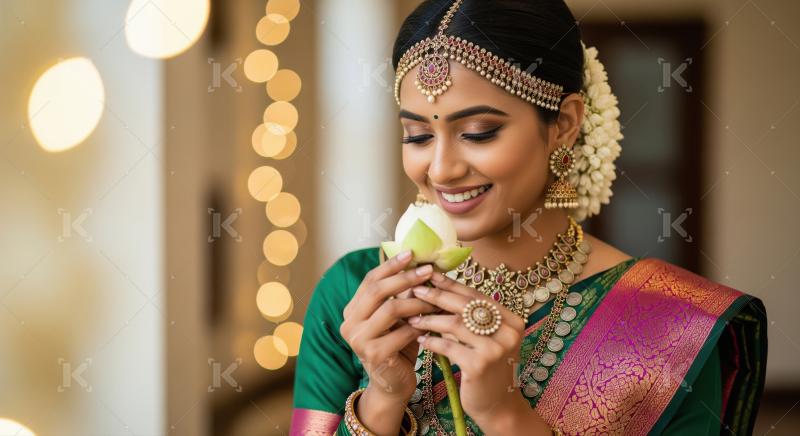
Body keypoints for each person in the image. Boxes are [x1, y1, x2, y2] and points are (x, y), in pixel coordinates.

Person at [290, 0, 767, 434]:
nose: (440, 169)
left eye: (478, 132)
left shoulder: (672, 327)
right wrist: (384, 397)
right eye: (417, 136)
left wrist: (504, 414)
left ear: (563, 124)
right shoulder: (356, 294)